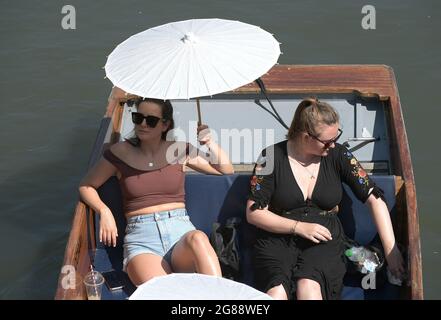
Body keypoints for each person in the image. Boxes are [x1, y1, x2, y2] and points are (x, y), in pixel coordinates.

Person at [246, 98, 404, 300]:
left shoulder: (339, 154)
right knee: (276, 293)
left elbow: (374, 198)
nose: (333, 144)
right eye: (327, 141)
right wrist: (298, 227)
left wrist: (392, 251)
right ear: (305, 136)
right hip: (278, 237)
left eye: (336, 136)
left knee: (309, 288)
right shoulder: (270, 157)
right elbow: (254, 213)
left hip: (325, 237)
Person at [79, 97, 234, 286]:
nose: (143, 124)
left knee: (199, 238)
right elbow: (86, 186)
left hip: (180, 233)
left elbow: (225, 170)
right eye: (138, 118)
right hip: (141, 239)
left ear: (165, 125)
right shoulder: (120, 152)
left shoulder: (179, 150)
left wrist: (209, 141)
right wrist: (104, 211)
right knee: (164, 291)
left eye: (150, 120)